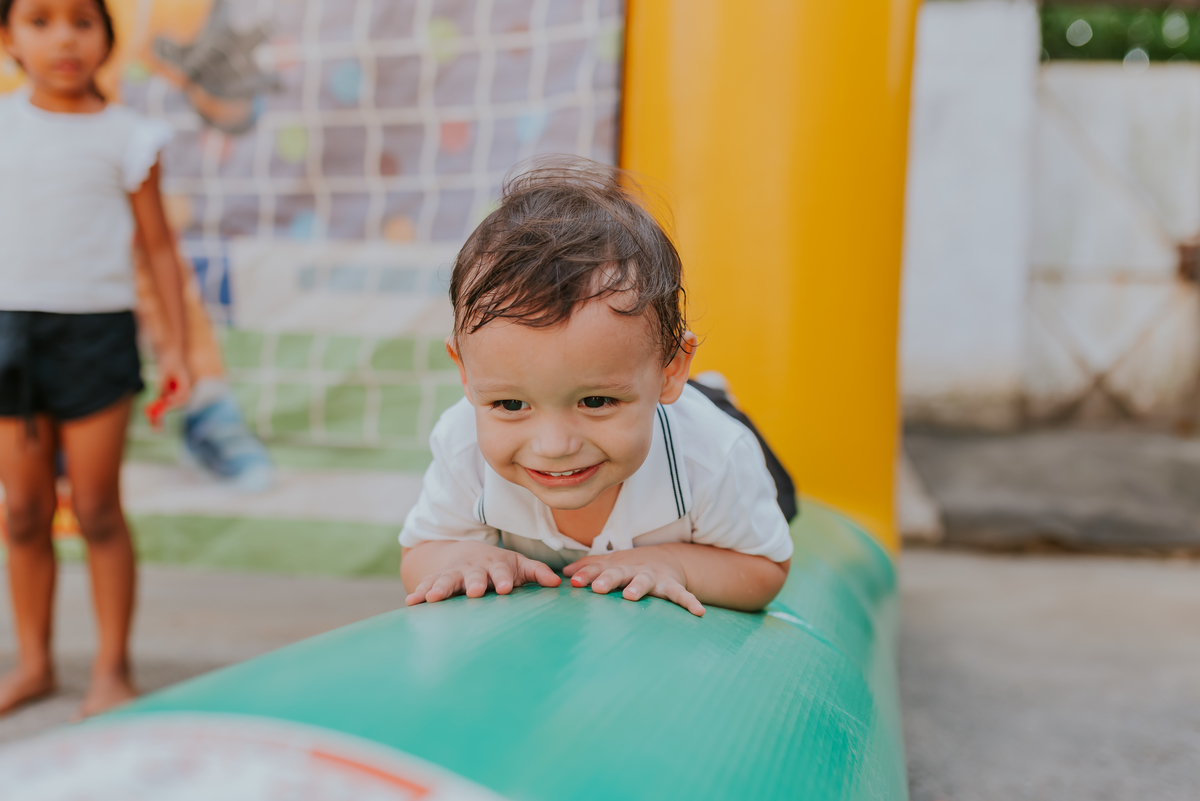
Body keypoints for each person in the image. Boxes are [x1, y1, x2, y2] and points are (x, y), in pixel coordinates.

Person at [400, 160, 793, 617]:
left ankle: (705, 389)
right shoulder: (462, 445)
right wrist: (461, 558)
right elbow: (420, 552)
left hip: (697, 419)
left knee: (774, 485)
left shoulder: (711, 456)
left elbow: (765, 567)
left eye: (595, 401)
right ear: (466, 374)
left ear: (670, 370)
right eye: (511, 403)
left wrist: (673, 562)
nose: (554, 446)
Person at [0, 0, 190, 716]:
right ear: (8, 37)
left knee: (96, 506)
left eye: (82, 21)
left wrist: (175, 346)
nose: (64, 39)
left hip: (96, 336)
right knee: (23, 510)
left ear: (108, 37)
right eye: (40, 20)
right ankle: (34, 663)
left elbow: (159, 249)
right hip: (9, 331)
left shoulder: (130, 138)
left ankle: (112, 669)